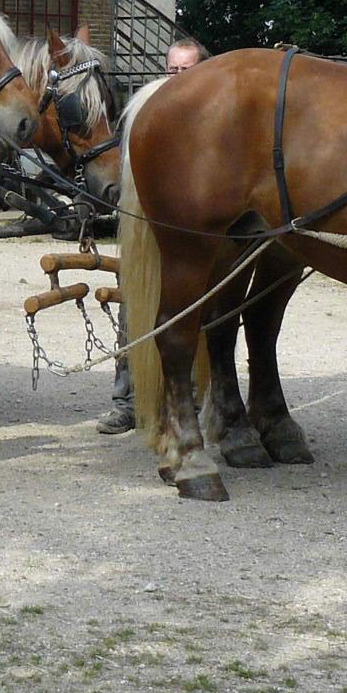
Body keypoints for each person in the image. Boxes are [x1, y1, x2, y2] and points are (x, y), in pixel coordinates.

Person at [96, 36, 208, 435]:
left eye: (186, 71)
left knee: (198, 316)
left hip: (192, 232)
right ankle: (126, 401)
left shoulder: (212, 117)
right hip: (147, 228)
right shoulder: (143, 109)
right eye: (172, 70)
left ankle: (190, 398)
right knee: (135, 310)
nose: (176, 79)